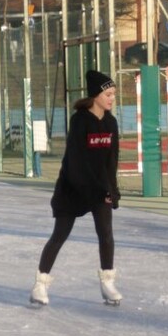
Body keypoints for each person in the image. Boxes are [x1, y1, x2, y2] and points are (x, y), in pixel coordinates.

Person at [29, 69, 122, 307]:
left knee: (106, 235)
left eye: (113, 94)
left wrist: (113, 189)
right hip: (73, 188)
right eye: (108, 94)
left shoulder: (111, 123)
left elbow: (112, 160)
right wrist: (89, 187)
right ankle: (40, 285)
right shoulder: (80, 121)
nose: (112, 98)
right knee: (60, 235)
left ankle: (107, 283)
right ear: (96, 96)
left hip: (99, 189)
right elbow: (75, 161)